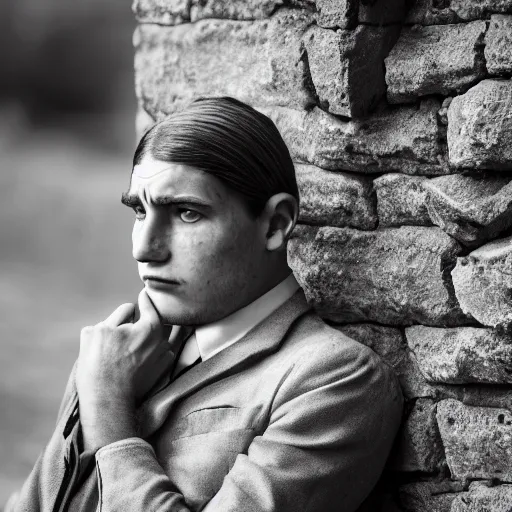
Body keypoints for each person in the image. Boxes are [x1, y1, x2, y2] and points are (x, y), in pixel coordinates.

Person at [5, 97, 403, 512]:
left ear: (275, 224)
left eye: (186, 213)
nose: (144, 249)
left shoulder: (335, 381)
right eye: (140, 210)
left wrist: (108, 414)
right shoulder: (114, 353)